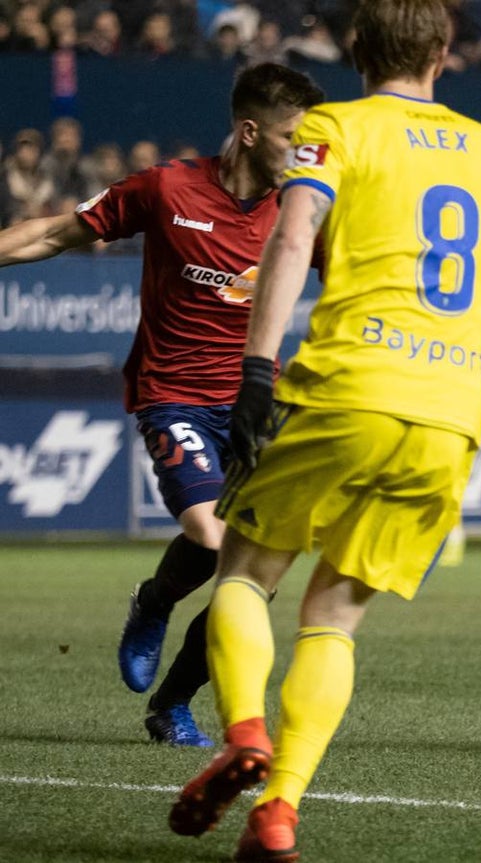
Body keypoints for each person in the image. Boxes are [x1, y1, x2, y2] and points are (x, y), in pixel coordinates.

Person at [167, 1, 481, 859]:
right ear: (445, 54)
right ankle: (280, 807)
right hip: (450, 419)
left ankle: (247, 732)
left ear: (353, 50)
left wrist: (257, 370)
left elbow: (293, 235)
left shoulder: (335, 128)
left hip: (345, 389)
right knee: (334, 615)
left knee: (245, 572)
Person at [0, 63, 325, 746]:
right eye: (294, 137)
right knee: (214, 540)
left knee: (250, 580)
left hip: (252, 405)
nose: (306, 152)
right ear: (248, 130)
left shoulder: (303, 212)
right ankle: (154, 601)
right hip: (171, 393)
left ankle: (172, 703)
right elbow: (54, 233)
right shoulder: (166, 187)